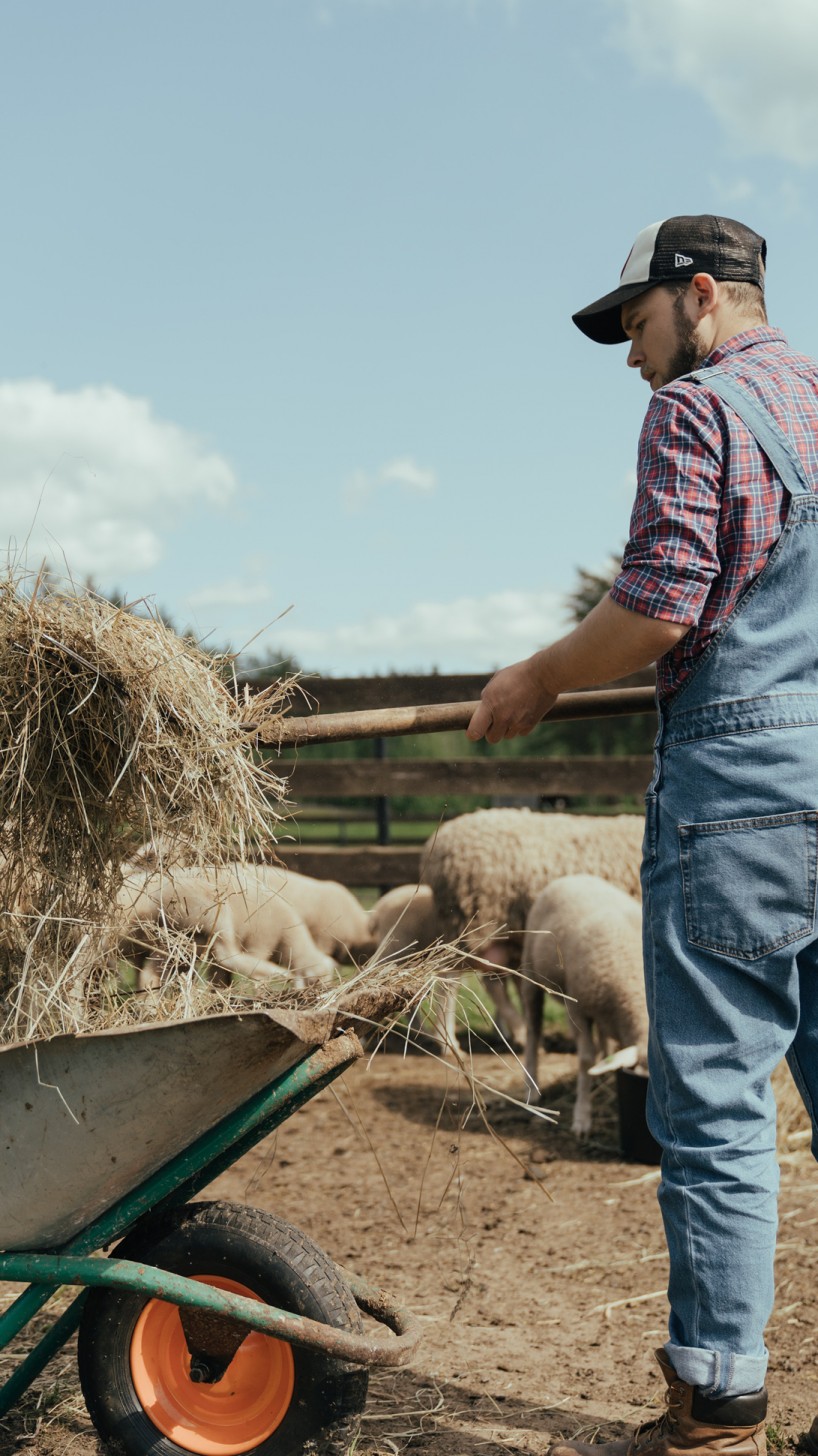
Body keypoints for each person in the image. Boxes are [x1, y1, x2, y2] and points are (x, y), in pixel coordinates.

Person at [467, 214, 818, 1456]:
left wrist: (539, 677)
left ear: (703, 296)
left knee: (715, 1100)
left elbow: (662, 604)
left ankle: (715, 1400)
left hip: (742, 793)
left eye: (633, 325)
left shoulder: (699, 410)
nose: (628, 357)